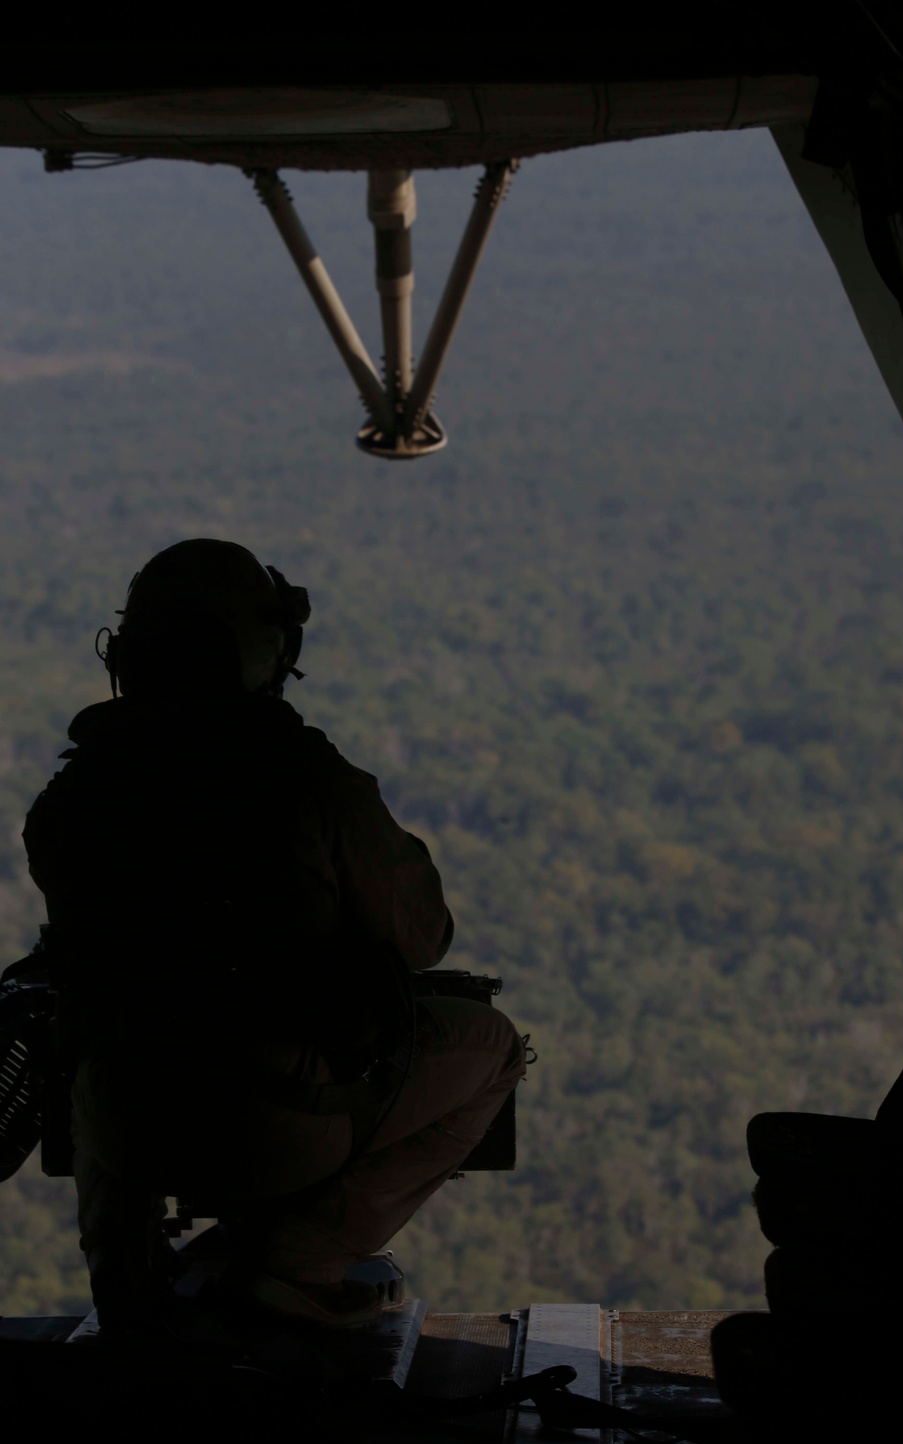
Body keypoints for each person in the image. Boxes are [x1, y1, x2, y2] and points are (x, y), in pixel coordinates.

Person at [22, 539, 526, 1332]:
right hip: (281, 1123)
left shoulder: (68, 801)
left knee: (99, 1034)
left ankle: (126, 1285)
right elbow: (424, 935)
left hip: (127, 1134)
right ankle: (296, 1264)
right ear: (266, 649)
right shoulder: (308, 782)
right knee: (495, 1046)